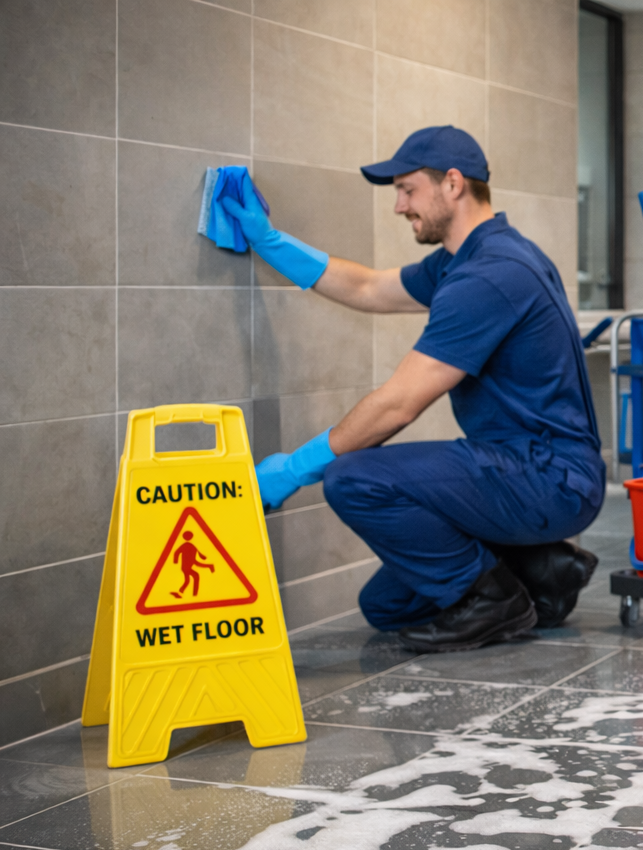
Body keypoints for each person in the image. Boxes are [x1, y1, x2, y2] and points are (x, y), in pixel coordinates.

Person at [218, 126, 603, 652]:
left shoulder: (490, 275)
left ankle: (496, 601)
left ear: (452, 184)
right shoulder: (470, 258)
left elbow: (398, 405)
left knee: (353, 477)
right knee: (387, 606)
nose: (399, 206)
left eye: (407, 190)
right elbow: (369, 286)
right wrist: (271, 242)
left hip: (548, 476)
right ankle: (542, 571)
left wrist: (293, 470)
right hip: (525, 466)